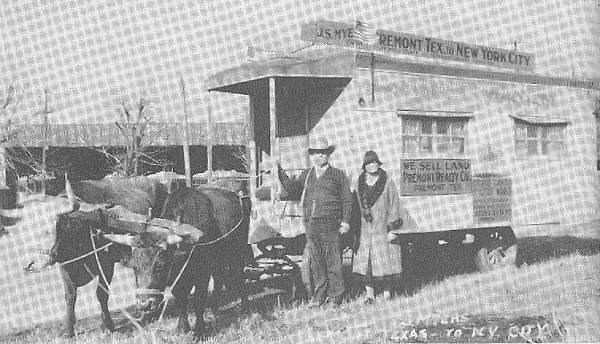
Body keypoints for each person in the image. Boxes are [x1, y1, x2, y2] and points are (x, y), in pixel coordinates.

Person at [277, 137, 353, 307]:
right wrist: (280, 173)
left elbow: (347, 200)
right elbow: (292, 189)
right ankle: (319, 297)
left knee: (333, 262)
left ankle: (335, 298)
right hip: (311, 224)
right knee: (317, 263)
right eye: (317, 153)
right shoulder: (308, 174)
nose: (320, 156)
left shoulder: (338, 175)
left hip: (331, 223)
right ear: (313, 155)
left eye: (323, 153)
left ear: (328, 155)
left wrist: (346, 221)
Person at [352, 150, 404, 303]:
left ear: (378, 163)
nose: (371, 166)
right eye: (368, 163)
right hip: (365, 230)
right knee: (366, 266)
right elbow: (355, 207)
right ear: (364, 167)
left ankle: (387, 293)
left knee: (386, 264)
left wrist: (392, 229)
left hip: (383, 228)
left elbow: (395, 205)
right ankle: (370, 294)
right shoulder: (359, 183)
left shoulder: (387, 182)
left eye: (374, 162)